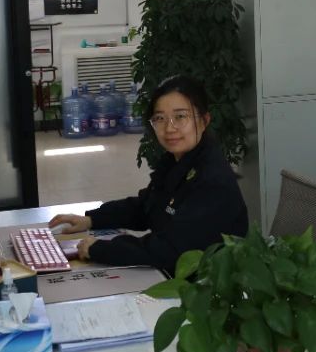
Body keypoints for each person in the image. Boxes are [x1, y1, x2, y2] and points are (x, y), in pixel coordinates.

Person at [47, 74, 247, 275]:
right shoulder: (176, 161)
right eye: (160, 118)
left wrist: (99, 249)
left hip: (206, 286)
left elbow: (168, 249)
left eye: (180, 116)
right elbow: (147, 207)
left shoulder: (212, 180)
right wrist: (91, 219)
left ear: (204, 121)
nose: (169, 128)